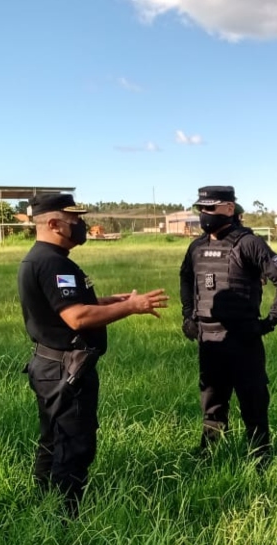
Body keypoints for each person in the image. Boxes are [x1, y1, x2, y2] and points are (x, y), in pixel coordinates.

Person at [18, 192, 169, 516]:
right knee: (74, 444)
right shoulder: (53, 262)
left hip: (50, 364)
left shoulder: (41, 258)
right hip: (66, 369)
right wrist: (130, 307)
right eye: (75, 221)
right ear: (55, 223)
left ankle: (44, 500)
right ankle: (65, 518)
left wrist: (111, 300)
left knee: (53, 438)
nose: (83, 226)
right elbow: (77, 317)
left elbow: (67, 306)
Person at [179, 186, 277, 463]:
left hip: (243, 340)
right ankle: (208, 457)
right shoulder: (196, 247)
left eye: (210, 208)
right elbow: (186, 279)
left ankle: (260, 458)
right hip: (208, 339)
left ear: (229, 209)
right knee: (211, 402)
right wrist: (188, 315)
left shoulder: (249, 243)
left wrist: (268, 323)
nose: (204, 214)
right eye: (201, 208)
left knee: (253, 402)